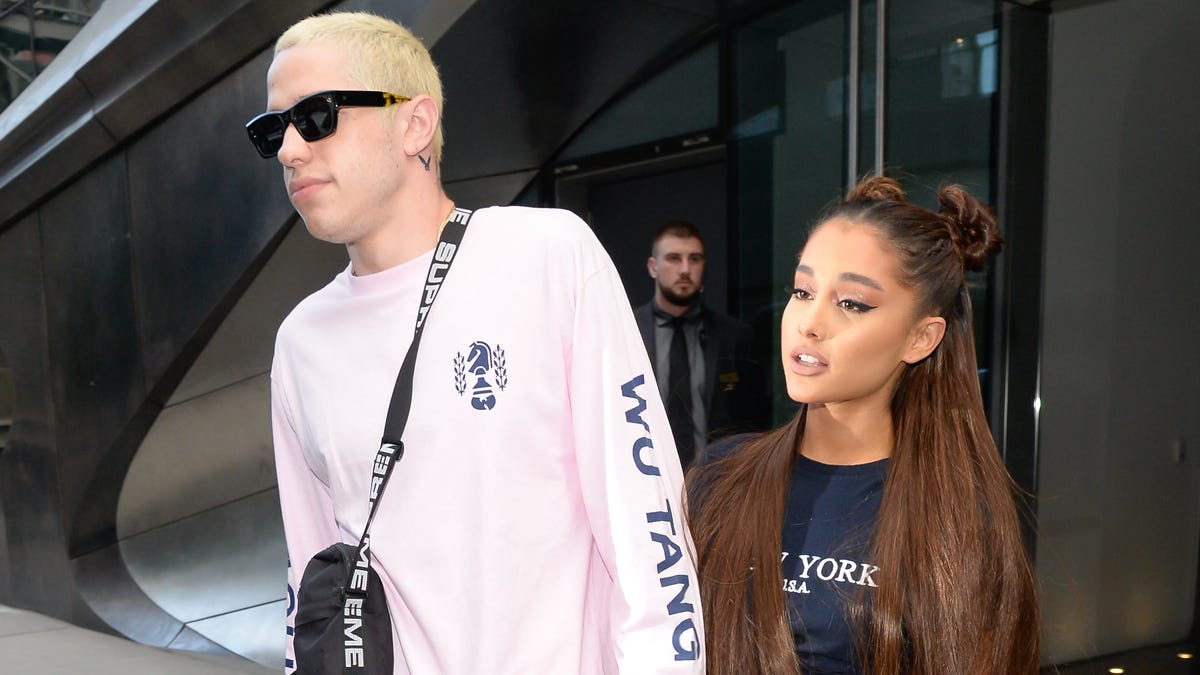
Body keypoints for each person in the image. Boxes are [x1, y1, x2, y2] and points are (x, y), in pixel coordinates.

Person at [248, 12, 703, 674]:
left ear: (415, 122)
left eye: (316, 116)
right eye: (272, 131)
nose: (289, 150)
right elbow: (310, 580)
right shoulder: (301, 342)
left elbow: (648, 533)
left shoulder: (547, 255)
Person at [685, 177, 1039, 674]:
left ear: (921, 338)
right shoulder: (719, 480)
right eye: (803, 291)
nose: (810, 322)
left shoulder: (956, 522)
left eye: (851, 303)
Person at [633, 221, 766, 470]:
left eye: (694, 259)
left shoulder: (734, 336)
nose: (685, 269)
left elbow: (753, 426)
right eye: (673, 258)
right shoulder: (628, 333)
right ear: (653, 267)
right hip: (646, 484)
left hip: (717, 485)